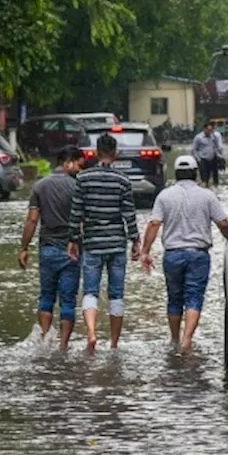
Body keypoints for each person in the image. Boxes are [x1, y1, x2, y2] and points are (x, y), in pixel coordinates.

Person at [141, 155, 228, 352]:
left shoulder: (164, 196)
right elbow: (223, 223)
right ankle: (187, 340)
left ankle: (174, 340)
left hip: (172, 255)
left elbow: (154, 224)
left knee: (174, 298)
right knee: (194, 297)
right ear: (196, 173)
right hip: (198, 255)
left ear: (176, 173)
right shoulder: (207, 196)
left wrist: (145, 252)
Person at [67, 133, 139, 352]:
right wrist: (135, 240)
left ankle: (91, 333)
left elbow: (76, 211)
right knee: (116, 294)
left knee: (90, 291)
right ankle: (115, 344)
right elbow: (129, 213)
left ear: (96, 153)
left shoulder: (83, 179)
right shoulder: (123, 180)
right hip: (117, 244)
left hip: (92, 243)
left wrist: (73, 239)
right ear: (115, 154)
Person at [18, 146, 85, 349]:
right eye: (79, 165)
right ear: (68, 162)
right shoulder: (78, 187)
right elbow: (85, 220)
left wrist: (24, 247)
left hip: (47, 249)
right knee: (68, 300)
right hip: (71, 250)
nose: (81, 171)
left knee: (46, 296)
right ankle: (63, 345)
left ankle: (46, 338)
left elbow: (32, 220)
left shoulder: (40, 186)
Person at [192, 122, 225, 187]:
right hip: (203, 160)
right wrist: (198, 159)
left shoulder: (213, 137)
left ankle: (215, 189)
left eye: (211, 130)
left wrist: (220, 157)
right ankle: (205, 187)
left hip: (213, 159)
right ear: (204, 129)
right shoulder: (198, 138)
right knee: (204, 178)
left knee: (215, 177)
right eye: (209, 130)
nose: (210, 132)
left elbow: (216, 147)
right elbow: (194, 150)